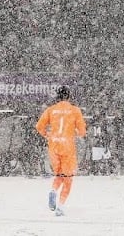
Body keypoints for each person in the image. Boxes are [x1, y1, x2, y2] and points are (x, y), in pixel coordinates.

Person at [35, 86, 87, 216]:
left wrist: (48, 135)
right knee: (68, 178)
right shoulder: (75, 110)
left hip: (54, 145)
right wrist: (75, 131)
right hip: (67, 146)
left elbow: (39, 126)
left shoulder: (51, 110)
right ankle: (61, 207)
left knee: (59, 175)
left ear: (57, 97)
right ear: (69, 97)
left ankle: (53, 190)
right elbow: (82, 132)